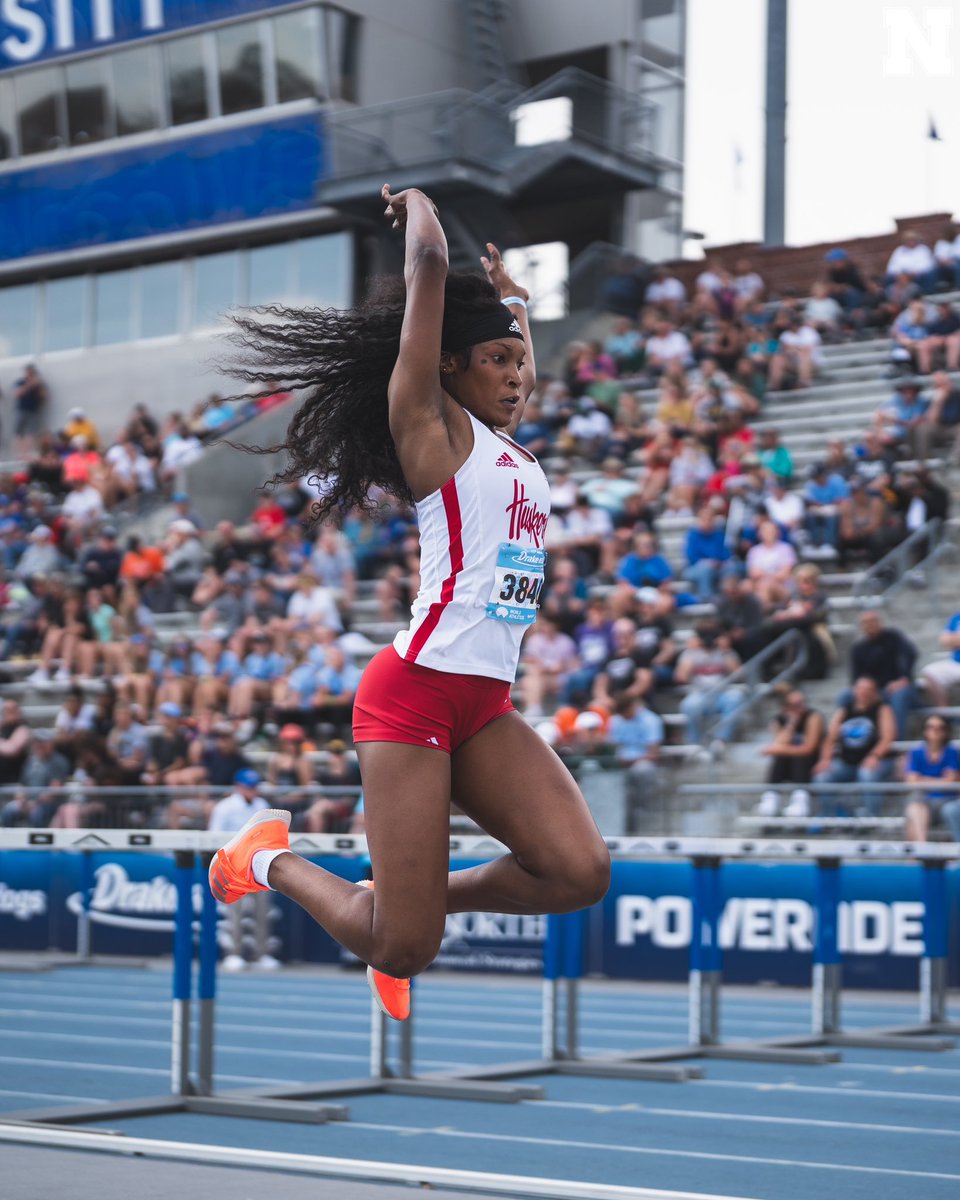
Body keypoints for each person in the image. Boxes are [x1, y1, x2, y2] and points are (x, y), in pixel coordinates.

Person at [208, 184, 610, 1022]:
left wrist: (514, 311)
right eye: (495, 361)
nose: (515, 375)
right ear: (447, 367)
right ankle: (264, 857)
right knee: (401, 946)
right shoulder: (431, 431)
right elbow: (427, 264)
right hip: (416, 693)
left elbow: (511, 359)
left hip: (484, 703)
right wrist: (422, 208)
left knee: (577, 873)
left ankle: (410, 897)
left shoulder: (506, 442)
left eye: (517, 361)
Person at [813, 677, 897, 817]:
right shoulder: (845, 711)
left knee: (866, 773)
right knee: (822, 776)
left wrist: (874, 756)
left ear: (875, 692)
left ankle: (871, 817)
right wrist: (825, 759)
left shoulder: (882, 709)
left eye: (868, 689)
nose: (864, 692)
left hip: (878, 761)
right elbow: (829, 739)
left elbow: (888, 738)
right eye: (861, 689)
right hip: (848, 762)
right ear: (854, 690)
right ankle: (828, 816)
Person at [756, 689, 824, 817]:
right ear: (786, 707)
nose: (801, 707)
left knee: (798, 755)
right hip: (788, 764)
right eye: (795, 705)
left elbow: (809, 748)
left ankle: (800, 798)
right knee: (781, 756)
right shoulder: (779, 720)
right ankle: (771, 797)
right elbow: (780, 742)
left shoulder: (813, 716)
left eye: (802, 703)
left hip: (810, 763)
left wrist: (776, 749)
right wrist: (791, 723)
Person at [902, 715, 960, 843]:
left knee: (951, 809)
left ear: (946, 731)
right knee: (915, 808)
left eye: (940, 727)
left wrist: (922, 779)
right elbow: (912, 781)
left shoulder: (951, 752)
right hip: (925, 802)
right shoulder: (916, 752)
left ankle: (917, 855)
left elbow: (951, 780)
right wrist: (940, 781)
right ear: (925, 730)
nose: (935, 730)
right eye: (931, 727)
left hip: (946, 801)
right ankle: (922, 846)